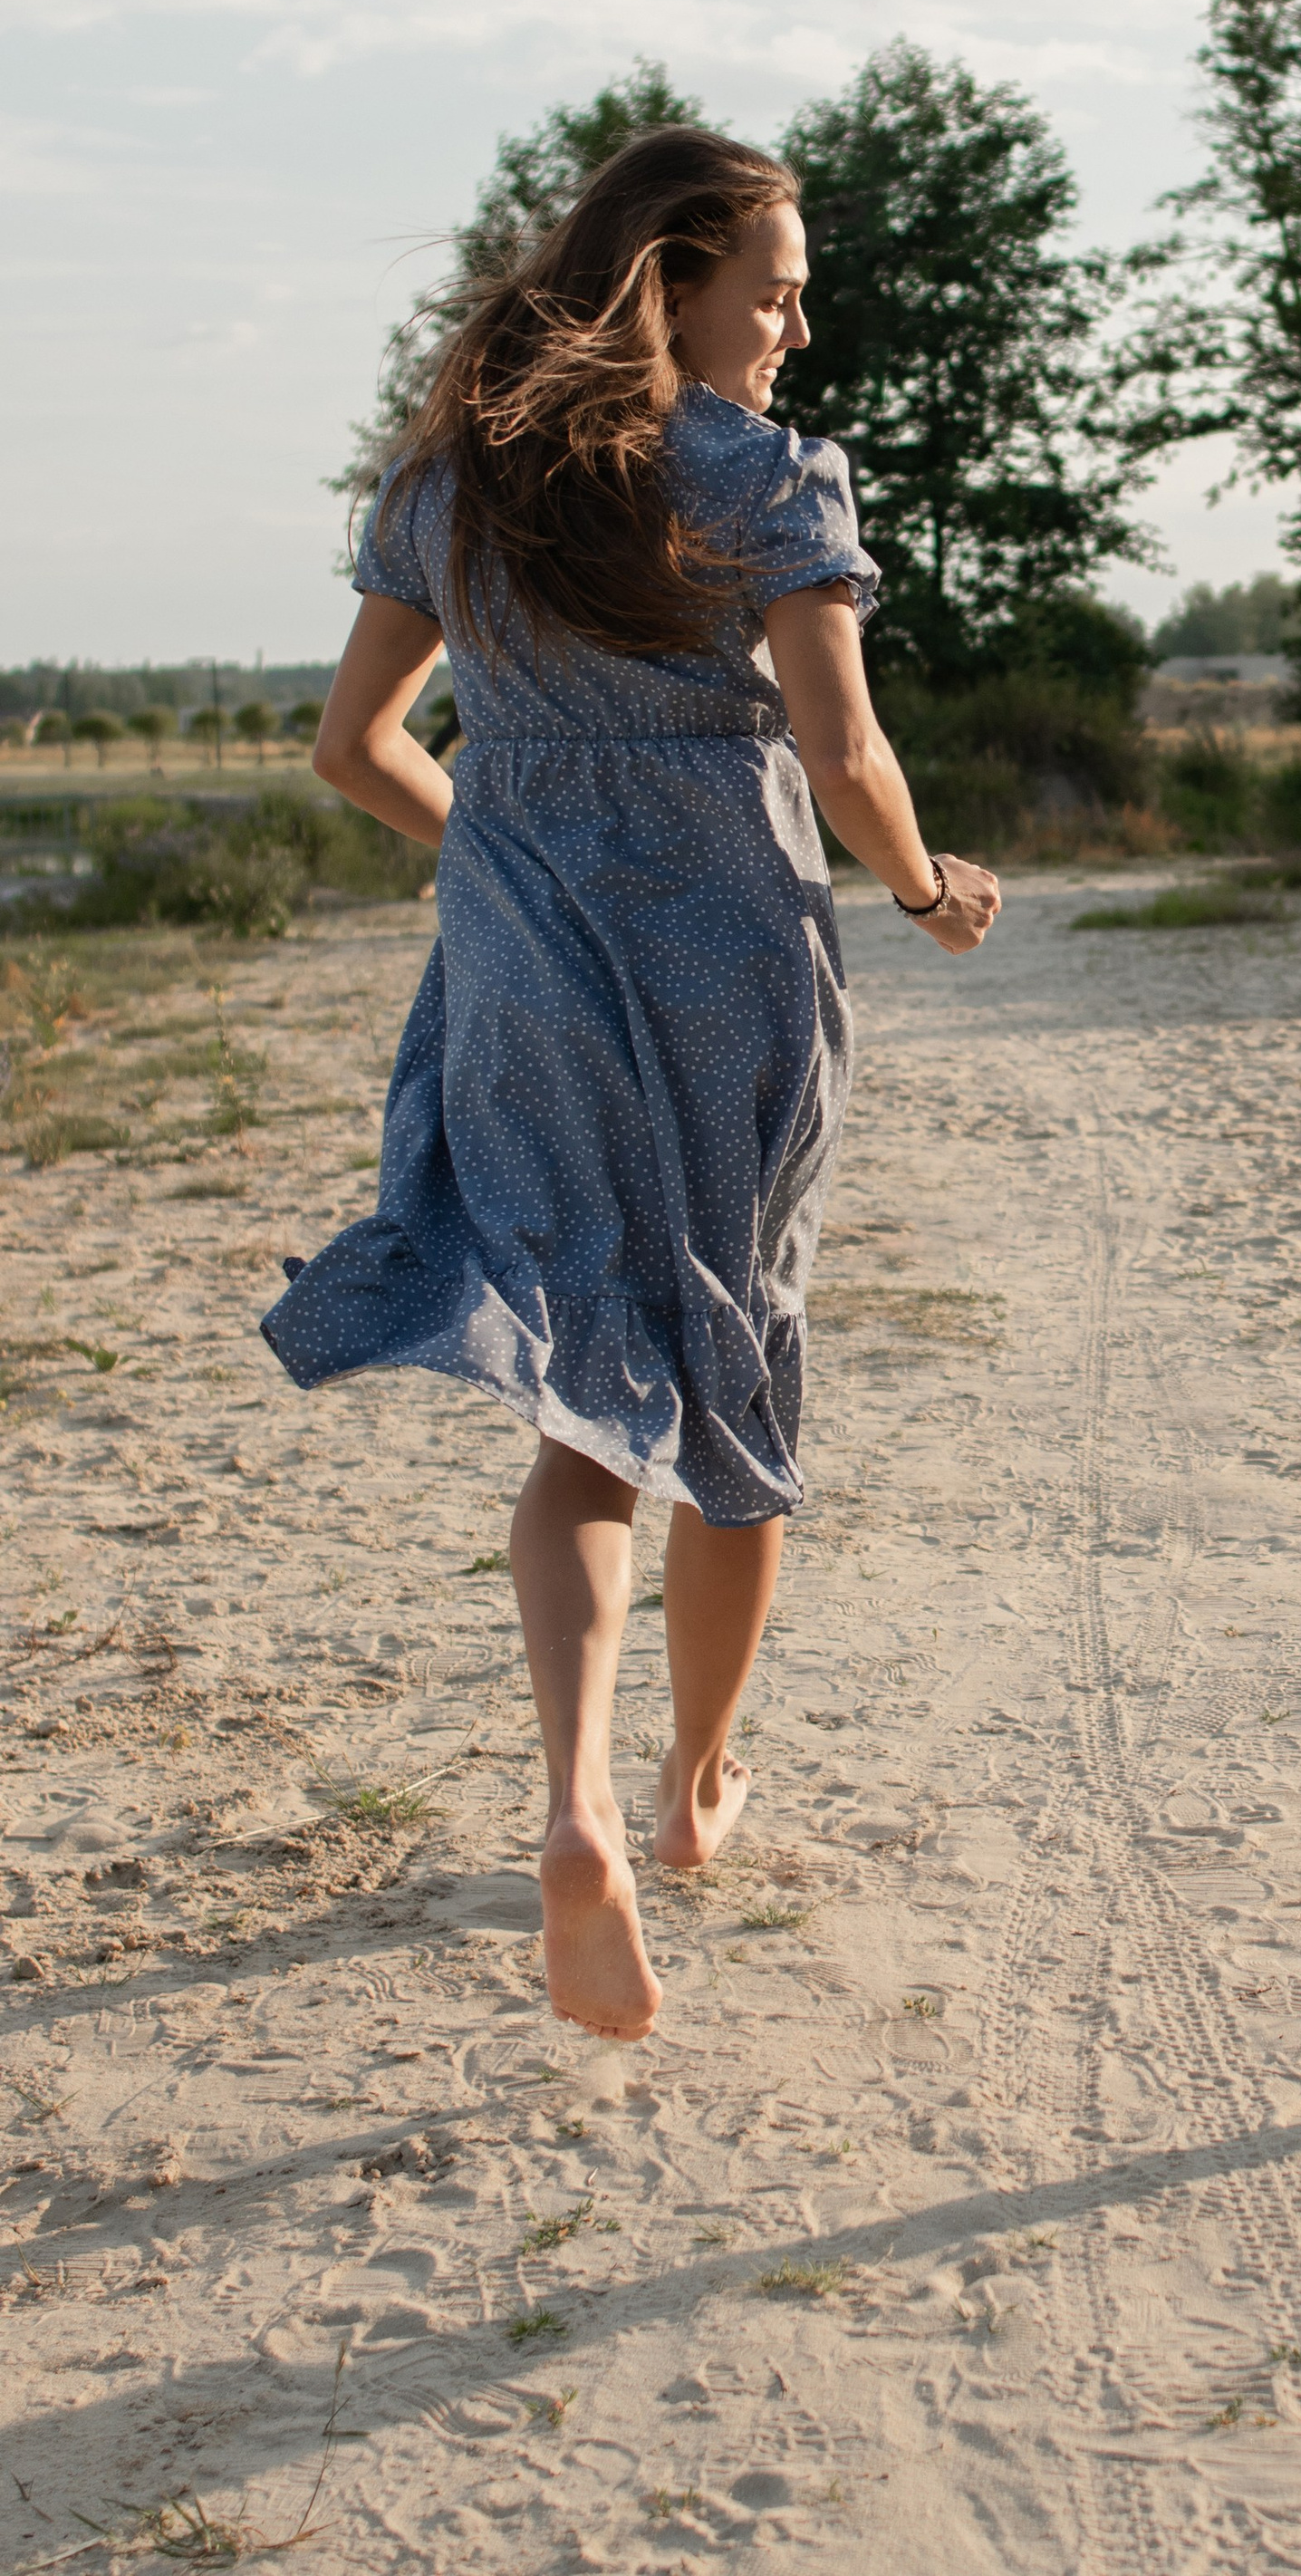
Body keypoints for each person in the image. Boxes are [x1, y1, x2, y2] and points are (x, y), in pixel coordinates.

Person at [263, 126, 1000, 2042]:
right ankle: (688, 1804)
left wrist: (494, 859)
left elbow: (352, 745)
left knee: (591, 1396)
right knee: (732, 1356)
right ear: (668, 281)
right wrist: (925, 888)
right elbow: (839, 750)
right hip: (726, 965)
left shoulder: (452, 482)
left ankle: (574, 1803)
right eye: (772, 285)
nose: (797, 321)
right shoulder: (761, 477)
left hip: (526, 974)